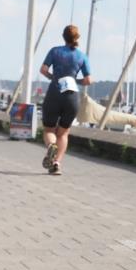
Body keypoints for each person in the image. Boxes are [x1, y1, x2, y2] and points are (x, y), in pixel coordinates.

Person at [39, 24, 92, 176]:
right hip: (72, 96)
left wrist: (52, 77)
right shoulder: (82, 56)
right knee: (63, 133)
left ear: (64, 37)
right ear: (77, 38)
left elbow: (43, 69)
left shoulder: (55, 51)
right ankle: (56, 164)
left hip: (54, 92)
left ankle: (51, 145)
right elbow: (88, 80)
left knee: (49, 129)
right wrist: (75, 81)